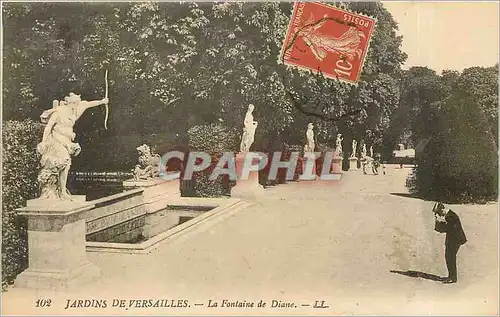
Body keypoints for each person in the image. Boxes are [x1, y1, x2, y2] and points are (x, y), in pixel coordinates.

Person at [433, 202, 467, 284]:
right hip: (453, 239)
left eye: (439, 212)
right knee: (449, 257)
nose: (439, 214)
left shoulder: (452, 216)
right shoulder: (449, 215)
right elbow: (443, 228)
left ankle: (453, 278)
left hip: (455, 240)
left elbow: (444, 229)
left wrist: (438, 221)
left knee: (450, 257)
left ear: (442, 209)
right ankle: (451, 276)